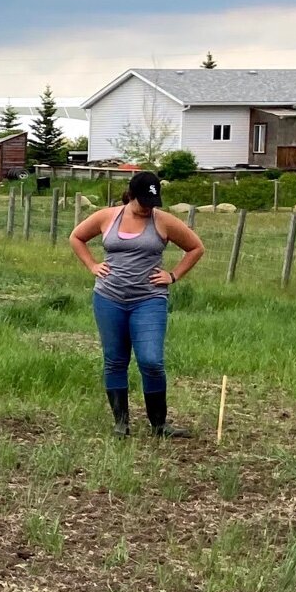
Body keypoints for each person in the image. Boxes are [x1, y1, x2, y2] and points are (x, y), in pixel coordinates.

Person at [69, 170, 204, 437]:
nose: (147, 209)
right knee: (115, 360)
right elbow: (76, 237)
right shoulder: (108, 216)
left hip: (149, 299)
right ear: (130, 196)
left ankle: (159, 425)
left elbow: (196, 247)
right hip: (109, 298)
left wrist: (173, 275)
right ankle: (121, 423)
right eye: (143, 202)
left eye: (153, 203)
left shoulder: (163, 221)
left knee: (151, 360)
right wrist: (92, 265)